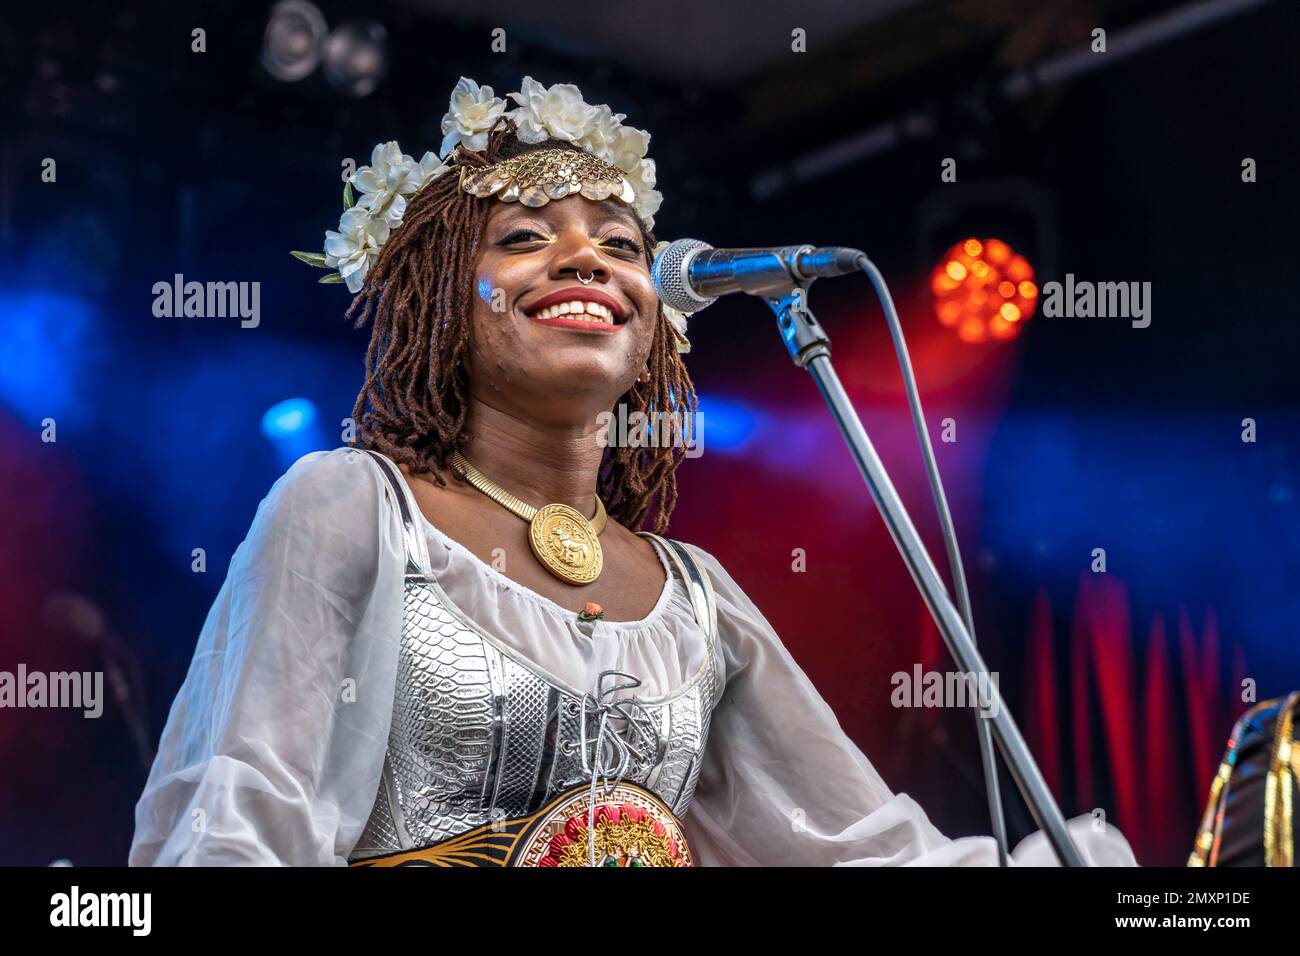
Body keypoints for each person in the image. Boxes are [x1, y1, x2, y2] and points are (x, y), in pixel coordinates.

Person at [129, 75, 1136, 867]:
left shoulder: (701, 600)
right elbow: (241, 816)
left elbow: (864, 852)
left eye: (620, 244)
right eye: (524, 238)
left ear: (655, 322)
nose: (586, 259)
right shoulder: (350, 505)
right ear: (437, 299)